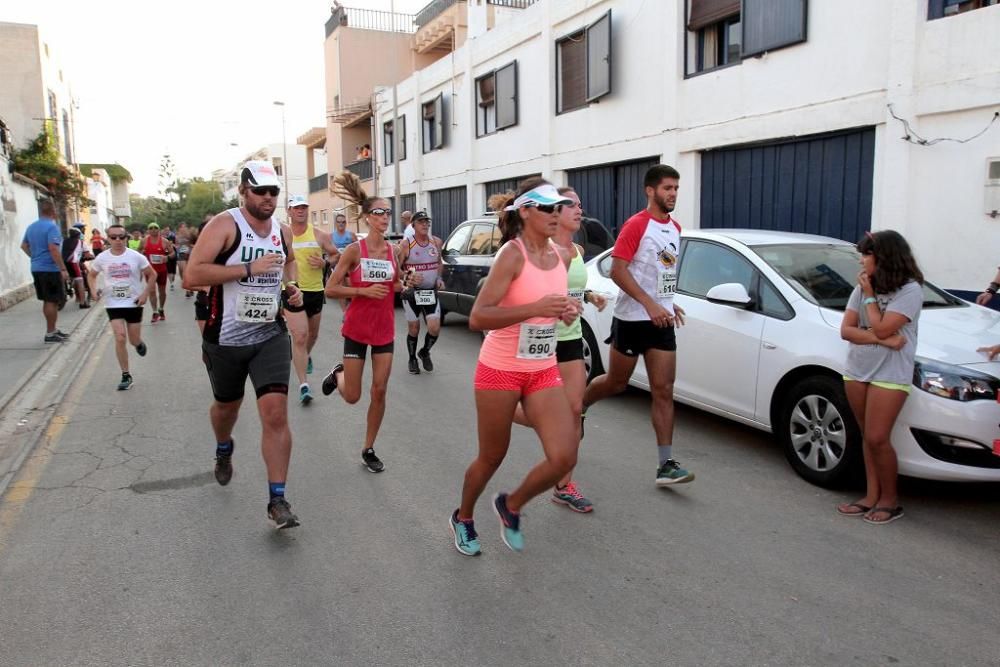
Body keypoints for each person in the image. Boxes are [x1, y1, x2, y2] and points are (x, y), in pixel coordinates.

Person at [450, 178, 580, 556]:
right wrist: (536, 309)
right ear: (525, 211)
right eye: (548, 208)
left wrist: (567, 308)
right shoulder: (512, 254)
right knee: (492, 456)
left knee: (564, 455)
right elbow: (478, 317)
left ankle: (511, 505)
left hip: (542, 367)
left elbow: (552, 303)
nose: (556, 214)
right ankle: (464, 516)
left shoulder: (561, 255)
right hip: (500, 369)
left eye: (560, 207)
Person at [183, 160, 304, 530]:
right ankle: (223, 448)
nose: (268, 198)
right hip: (225, 338)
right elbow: (192, 275)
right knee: (226, 408)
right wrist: (248, 269)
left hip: (269, 334)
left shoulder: (281, 232)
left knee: (276, 414)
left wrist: (291, 287)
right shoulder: (224, 225)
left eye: (274, 192)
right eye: (261, 191)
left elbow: (290, 263)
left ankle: (277, 499)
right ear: (244, 192)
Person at [582, 164, 693, 487]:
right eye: (667, 188)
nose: (672, 194)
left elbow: (661, 272)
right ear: (650, 190)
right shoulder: (636, 225)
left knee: (664, 390)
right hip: (632, 319)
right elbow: (618, 271)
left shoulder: (675, 228)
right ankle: (583, 403)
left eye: (675, 188)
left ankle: (666, 464)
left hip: (661, 321)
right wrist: (649, 303)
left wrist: (669, 301)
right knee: (617, 382)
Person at [510, 187, 608, 513]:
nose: (579, 210)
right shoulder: (543, 250)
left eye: (581, 204)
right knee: (554, 414)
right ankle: (508, 411)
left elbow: (574, 287)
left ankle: (564, 485)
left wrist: (589, 295)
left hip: (571, 338)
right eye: (571, 205)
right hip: (543, 338)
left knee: (575, 409)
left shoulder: (578, 250)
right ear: (556, 212)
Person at [322, 171, 417, 473]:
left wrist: (406, 281)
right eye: (379, 212)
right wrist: (361, 290)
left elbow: (395, 285)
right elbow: (331, 288)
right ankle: (338, 373)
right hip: (357, 328)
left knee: (379, 390)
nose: (385, 217)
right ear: (366, 217)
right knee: (352, 396)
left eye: (388, 212)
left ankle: (368, 448)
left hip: (384, 330)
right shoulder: (354, 251)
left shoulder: (394, 251)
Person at [837, 230, 924, 525]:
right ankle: (871, 496)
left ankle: (890, 501)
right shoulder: (861, 287)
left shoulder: (909, 290)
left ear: (884, 258)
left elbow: (884, 326)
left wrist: (872, 298)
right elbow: (846, 330)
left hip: (890, 373)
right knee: (867, 437)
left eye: (866, 255)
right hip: (858, 370)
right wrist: (883, 340)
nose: (861, 261)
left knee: (878, 437)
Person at [283, 194, 339, 404]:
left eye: (304, 207)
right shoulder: (283, 236)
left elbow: (335, 256)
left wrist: (325, 263)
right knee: (299, 336)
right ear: (289, 211)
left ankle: (304, 356)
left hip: (315, 291)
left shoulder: (319, 235)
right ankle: (303, 385)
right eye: (296, 208)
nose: (301, 211)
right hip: (292, 291)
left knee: (312, 335)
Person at [88, 224, 156, 390]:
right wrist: (93, 291)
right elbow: (91, 275)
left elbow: (152, 274)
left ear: (126, 238)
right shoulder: (102, 258)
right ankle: (126, 375)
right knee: (119, 337)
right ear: (108, 239)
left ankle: (138, 343)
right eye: (113, 237)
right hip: (113, 303)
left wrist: (145, 294)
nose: (118, 240)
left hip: (134, 302)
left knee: (133, 339)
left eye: (121, 236)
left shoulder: (136, 256)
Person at [397, 211, 444, 374]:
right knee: (414, 327)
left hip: (430, 292)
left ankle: (424, 352)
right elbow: (396, 269)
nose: (425, 224)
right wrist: (409, 276)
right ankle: (412, 359)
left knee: (434, 327)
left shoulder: (436, 242)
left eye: (427, 222)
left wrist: (439, 277)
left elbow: (439, 263)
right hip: (411, 292)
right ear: (413, 225)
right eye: (421, 222)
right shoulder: (405, 244)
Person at [20, 199, 70, 343]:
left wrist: (34, 257)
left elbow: (23, 246)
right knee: (52, 300)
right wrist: (62, 268)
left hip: (37, 268)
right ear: (52, 211)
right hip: (50, 268)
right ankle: (50, 333)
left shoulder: (31, 227)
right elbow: (53, 249)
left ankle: (53, 329)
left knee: (48, 300)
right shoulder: (51, 227)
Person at [139, 222, 174, 322]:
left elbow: (173, 253)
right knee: (152, 291)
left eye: (155, 228)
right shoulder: (144, 241)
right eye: (151, 228)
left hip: (161, 270)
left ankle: (161, 309)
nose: (153, 230)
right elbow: (138, 252)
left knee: (162, 292)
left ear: (158, 229)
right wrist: (142, 257)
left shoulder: (164, 241)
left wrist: (166, 257)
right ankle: (155, 312)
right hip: (149, 271)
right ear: (148, 230)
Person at [330, 213, 357, 314]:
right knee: (340, 287)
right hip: (338, 264)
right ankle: (344, 312)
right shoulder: (331, 236)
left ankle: (353, 308)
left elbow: (359, 249)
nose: (341, 224)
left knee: (351, 286)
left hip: (350, 265)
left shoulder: (351, 235)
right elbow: (329, 252)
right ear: (336, 223)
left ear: (346, 223)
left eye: (343, 222)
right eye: (339, 222)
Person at [62, 226, 89, 309]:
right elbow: (87, 254)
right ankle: (82, 303)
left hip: (63, 263)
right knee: (80, 281)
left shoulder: (64, 241)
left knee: (69, 279)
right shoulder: (81, 242)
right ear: (79, 235)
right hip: (73, 263)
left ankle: (71, 294)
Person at [175, 222, 197, 298]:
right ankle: (188, 287)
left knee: (187, 271)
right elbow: (176, 244)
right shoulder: (177, 236)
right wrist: (177, 247)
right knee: (182, 271)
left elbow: (195, 242)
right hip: (181, 254)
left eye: (184, 227)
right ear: (179, 228)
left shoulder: (189, 235)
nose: (183, 228)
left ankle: (188, 290)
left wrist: (191, 246)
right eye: (181, 227)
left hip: (189, 254)